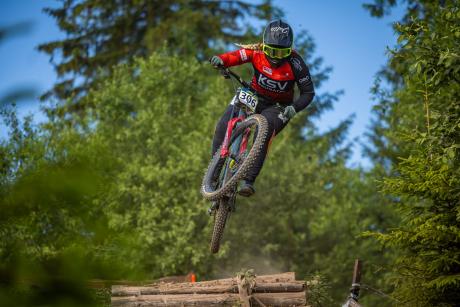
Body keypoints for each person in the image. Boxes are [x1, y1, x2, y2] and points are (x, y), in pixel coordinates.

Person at [209, 19, 315, 197]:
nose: (276, 57)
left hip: (279, 107)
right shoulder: (255, 51)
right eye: (271, 51)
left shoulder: (297, 64)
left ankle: (247, 181)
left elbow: (308, 93)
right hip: (253, 94)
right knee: (223, 124)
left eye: (283, 52)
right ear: (263, 46)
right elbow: (236, 56)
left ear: (290, 50)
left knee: (264, 131)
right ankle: (214, 170)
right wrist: (221, 60)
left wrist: (294, 108)